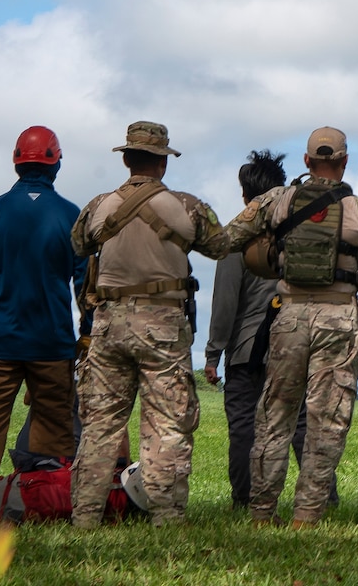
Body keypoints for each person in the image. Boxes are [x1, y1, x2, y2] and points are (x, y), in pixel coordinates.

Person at [224, 126, 358, 527]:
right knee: (326, 421)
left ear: (305, 161)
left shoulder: (276, 200)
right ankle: (307, 514)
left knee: (274, 416)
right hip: (339, 318)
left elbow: (227, 239)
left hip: (289, 315)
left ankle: (262, 512)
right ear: (344, 161)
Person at [70, 121, 228, 528]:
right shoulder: (188, 207)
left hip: (108, 324)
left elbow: (77, 244)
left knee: (101, 423)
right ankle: (165, 516)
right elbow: (221, 245)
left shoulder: (98, 206)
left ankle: (85, 515)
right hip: (162, 326)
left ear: (125, 159)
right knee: (167, 422)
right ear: (163, 162)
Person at [0, 126, 87, 518]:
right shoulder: (71, 216)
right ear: (56, 163)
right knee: (53, 419)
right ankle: (40, 497)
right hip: (52, 343)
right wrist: (88, 333)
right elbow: (85, 284)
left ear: (16, 162)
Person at [203, 150, 335, 511]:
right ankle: (323, 498)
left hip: (246, 350)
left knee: (245, 427)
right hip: (297, 341)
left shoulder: (237, 235)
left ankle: (245, 499)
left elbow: (225, 303)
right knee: (303, 425)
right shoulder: (303, 229)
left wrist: (213, 353)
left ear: (247, 196)